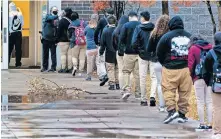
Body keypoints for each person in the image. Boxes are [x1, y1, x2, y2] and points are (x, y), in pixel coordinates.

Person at [157, 16, 192, 124]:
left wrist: (164, 63)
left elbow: (159, 52)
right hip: (186, 69)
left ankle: (172, 111)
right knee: (185, 92)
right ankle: (182, 114)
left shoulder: (166, 37)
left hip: (170, 68)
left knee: (168, 90)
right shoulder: (189, 36)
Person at [188, 35, 213, 130]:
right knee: (209, 101)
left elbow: (190, 65)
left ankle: (202, 124)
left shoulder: (193, 48)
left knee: (200, 101)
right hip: (209, 78)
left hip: (198, 77)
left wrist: (192, 77)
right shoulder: (210, 47)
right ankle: (210, 124)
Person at [131, 11, 155, 106]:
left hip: (142, 55)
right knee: (154, 77)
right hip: (153, 55)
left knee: (143, 77)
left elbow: (134, 43)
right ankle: (153, 96)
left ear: (142, 18)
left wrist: (139, 50)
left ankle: (143, 99)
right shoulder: (154, 28)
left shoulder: (138, 28)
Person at [147, 15, 170, 111]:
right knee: (168, 84)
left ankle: (161, 106)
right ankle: (169, 104)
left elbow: (149, 48)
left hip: (156, 61)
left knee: (160, 84)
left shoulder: (154, 34)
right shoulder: (169, 34)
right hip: (167, 62)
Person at [118, 11, 140, 100]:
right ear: (136, 17)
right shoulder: (141, 25)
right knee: (137, 74)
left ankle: (127, 90)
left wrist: (120, 50)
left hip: (128, 52)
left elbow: (121, 39)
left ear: (130, 17)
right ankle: (139, 93)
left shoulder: (126, 26)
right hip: (139, 53)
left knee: (126, 71)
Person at [204, 32, 221, 139]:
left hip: (217, 84)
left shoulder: (211, 53)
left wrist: (209, 82)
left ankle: (218, 132)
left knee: (217, 107)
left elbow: (206, 69)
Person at [94, 8, 114, 86]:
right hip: (113, 45)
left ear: (106, 13)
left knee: (100, 60)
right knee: (111, 63)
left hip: (103, 43)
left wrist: (97, 42)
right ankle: (113, 79)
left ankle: (104, 74)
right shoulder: (116, 21)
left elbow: (96, 31)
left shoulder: (102, 20)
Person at [100, 15, 118, 90]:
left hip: (109, 52)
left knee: (110, 68)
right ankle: (118, 83)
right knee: (117, 68)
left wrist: (101, 51)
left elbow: (102, 43)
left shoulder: (105, 31)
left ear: (108, 22)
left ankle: (112, 84)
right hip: (117, 52)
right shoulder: (118, 30)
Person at [68, 12, 87, 76]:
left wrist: (70, 39)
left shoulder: (71, 25)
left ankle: (75, 67)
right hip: (83, 42)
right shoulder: (83, 22)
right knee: (82, 57)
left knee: (74, 56)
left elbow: (69, 35)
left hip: (74, 43)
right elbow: (86, 31)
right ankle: (80, 71)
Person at [112, 15, 129, 89]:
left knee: (121, 70)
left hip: (119, 52)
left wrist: (116, 49)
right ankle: (128, 87)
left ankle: (122, 88)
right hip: (128, 52)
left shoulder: (116, 30)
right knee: (128, 71)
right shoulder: (129, 29)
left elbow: (113, 43)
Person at [41, 6, 59, 72]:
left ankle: (53, 68)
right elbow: (51, 18)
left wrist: (57, 39)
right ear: (51, 10)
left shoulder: (57, 19)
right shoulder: (47, 16)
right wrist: (57, 16)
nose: (56, 11)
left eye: (56, 10)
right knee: (45, 54)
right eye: (54, 10)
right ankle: (44, 67)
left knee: (53, 54)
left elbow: (57, 28)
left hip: (53, 39)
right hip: (45, 38)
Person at [57, 7, 73, 73]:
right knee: (69, 55)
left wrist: (57, 39)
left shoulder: (62, 21)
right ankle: (69, 68)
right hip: (71, 40)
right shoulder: (72, 20)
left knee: (63, 54)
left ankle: (63, 68)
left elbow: (59, 31)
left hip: (62, 40)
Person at [8, 2, 24, 68]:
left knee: (9, 49)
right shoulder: (20, 14)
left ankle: (6, 63)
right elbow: (23, 24)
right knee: (18, 49)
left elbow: (7, 25)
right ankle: (18, 64)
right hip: (18, 33)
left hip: (11, 33)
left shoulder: (9, 14)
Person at [84, 15, 98, 81]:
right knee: (98, 62)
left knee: (89, 62)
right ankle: (101, 75)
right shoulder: (98, 27)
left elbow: (83, 34)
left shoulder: (87, 27)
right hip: (97, 46)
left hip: (89, 47)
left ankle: (89, 76)